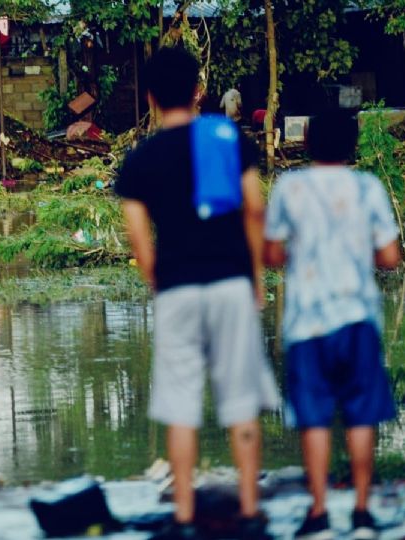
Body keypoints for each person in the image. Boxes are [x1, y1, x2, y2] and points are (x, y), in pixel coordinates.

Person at [116, 47, 280, 540]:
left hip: (177, 290)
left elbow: (140, 242)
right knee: (241, 401)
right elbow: (254, 209)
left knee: (180, 405)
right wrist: (256, 277)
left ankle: (184, 515)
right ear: (197, 91)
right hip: (230, 283)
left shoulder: (140, 160)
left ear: (150, 97)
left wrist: (161, 284)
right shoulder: (228, 140)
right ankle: (249, 509)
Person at [263, 111, 401, 540]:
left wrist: (304, 253)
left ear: (306, 142)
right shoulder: (368, 188)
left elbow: (271, 255)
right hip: (358, 318)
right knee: (361, 415)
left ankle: (319, 510)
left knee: (315, 418)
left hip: (307, 322)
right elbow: (390, 258)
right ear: (352, 146)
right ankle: (361, 509)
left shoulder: (289, 187)